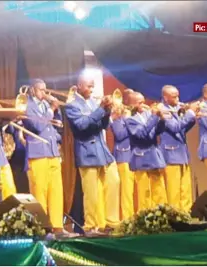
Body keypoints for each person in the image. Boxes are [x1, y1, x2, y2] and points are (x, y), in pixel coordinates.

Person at [65, 74, 120, 235]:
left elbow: (103, 126)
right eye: (89, 86)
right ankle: (91, 225)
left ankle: (111, 221)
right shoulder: (72, 106)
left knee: (114, 181)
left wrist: (107, 111)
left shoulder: (94, 103)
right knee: (91, 192)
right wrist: (101, 109)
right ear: (80, 86)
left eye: (92, 86)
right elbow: (82, 125)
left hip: (102, 151)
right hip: (87, 151)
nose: (91, 89)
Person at [22, 79, 65, 234]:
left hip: (52, 152)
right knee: (40, 192)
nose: (45, 93)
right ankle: (42, 227)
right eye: (41, 90)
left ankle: (57, 225)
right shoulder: (27, 105)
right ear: (33, 90)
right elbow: (38, 126)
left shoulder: (47, 105)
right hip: (37, 154)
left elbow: (58, 125)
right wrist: (52, 109)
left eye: (46, 90)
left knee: (56, 190)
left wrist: (57, 110)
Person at [125, 92, 167, 211]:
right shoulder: (130, 120)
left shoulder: (149, 115)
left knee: (159, 189)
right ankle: (145, 218)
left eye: (144, 102)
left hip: (154, 156)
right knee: (144, 192)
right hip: (141, 158)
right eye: (140, 103)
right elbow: (141, 134)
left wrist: (161, 120)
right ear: (133, 105)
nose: (144, 105)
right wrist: (154, 117)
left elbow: (158, 132)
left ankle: (162, 215)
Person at [159, 85, 198, 212]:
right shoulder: (163, 111)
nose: (178, 98)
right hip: (171, 154)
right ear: (165, 97)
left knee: (185, 189)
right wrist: (190, 113)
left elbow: (183, 129)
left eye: (178, 95)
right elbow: (175, 127)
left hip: (182, 153)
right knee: (174, 191)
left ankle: (186, 215)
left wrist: (192, 117)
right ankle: (174, 216)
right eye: (174, 96)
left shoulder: (176, 109)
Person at [110, 88, 135, 220]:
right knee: (126, 192)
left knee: (134, 192)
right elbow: (120, 135)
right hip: (123, 157)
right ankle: (128, 219)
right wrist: (127, 120)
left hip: (135, 156)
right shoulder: (117, 118)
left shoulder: (133, 116)